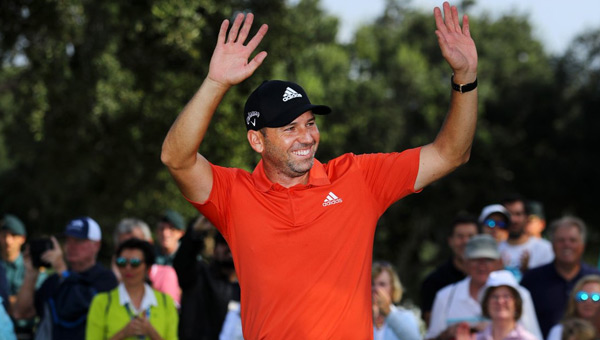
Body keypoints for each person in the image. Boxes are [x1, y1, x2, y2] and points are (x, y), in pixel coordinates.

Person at [161, 2, 478, 338]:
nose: (307, 137)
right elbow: (176, 158)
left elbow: (450, 154)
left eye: (310, 123)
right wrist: (215, 82)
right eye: (289, 128)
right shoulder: (233, 193)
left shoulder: (357, 177)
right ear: (257, 140)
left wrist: (466, 78)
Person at [12, 217, 118, 340]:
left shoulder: (105, 278)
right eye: (68, 240)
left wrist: (63, 271)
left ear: (96, 245)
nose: (71, 246)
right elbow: (22, 313)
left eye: (78, 241)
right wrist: (30, 274)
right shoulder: (54, 280)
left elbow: (79, 306)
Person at [425, 235, 541, 340]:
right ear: (465, 263)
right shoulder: (445, 296)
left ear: (500, 262)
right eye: (475, 259)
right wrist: (447, 335)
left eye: (488, 259)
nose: (482, 265)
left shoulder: (521, 294)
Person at [520, 216, 600, 338]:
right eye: (561, 240)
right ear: (551, 244)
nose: (566, 245)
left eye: (572, 240)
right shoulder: (532, 279)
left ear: (582, 245)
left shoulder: (596, 279)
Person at [86, 238, 178, 340]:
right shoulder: (101, 302)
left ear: (148, 268)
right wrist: (123, 333)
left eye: (135, 263)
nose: (128, 268)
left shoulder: (166, 303)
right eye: (122, 262)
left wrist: (151, 332)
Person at [174, 215, 240, 340]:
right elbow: (183, 262)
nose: (229, 248)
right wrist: (195, 232)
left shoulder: (250, 289)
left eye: (234, 243)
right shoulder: (198, 276)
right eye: (224, 243)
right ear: (214, 250)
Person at [421, 214, 478, 325]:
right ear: (450, 241)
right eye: (460, 236)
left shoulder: (492, 278)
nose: (466, 241)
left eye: (471, 236)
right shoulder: (433, 282)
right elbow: (432, 325)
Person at [0, 214, 48, 338]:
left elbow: (30, 306)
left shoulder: (32, 266)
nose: (7, 240)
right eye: (4, 235)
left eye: (13, 235)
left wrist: (6, 303)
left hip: (26, 332)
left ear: (22, 238)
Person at [113, 218, 181, 305]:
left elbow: (172, 314)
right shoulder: (107, 279)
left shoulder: (165, 275)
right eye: (123, 246)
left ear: (149, 244)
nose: (129, 252)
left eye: (136, 245)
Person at [499, 195, 554, 281]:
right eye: (509, 214)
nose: (513, 220)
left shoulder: (545, 249)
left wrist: (527, 272)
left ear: (526, 217)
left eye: (518, 214)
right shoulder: (495, 249)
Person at [372, 261, 421, 340]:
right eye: (372, 284)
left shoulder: (405, 317)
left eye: (382, 284)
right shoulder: (358, 318)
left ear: (393, 288)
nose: (376, 289)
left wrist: (388, 313)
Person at [546, 275, 600, 340]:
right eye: (582, 296)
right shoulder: (560, 331)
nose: (588, 301)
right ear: (573, 299)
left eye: (596, 297)